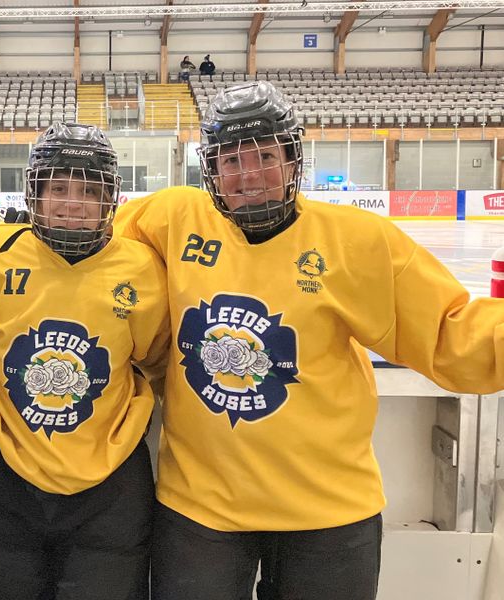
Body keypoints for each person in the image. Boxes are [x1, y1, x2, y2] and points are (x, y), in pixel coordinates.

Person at [115, 80, 504, 600]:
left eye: (264, 156)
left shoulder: (358, 242)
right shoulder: (172, 218)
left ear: (293, 158)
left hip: (329, 512)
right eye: (230, 160)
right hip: (200, 510)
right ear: (210, 168)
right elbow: (98, 261)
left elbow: (453, 336)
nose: (248, 175)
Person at [0, 122, 170, 600]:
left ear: (109, 199)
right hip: (0, 479)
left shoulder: (141, 269)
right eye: (57, 187)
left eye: (88, 190)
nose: (71, 202)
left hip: (111, 487)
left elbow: (156, 357)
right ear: (34, 192)